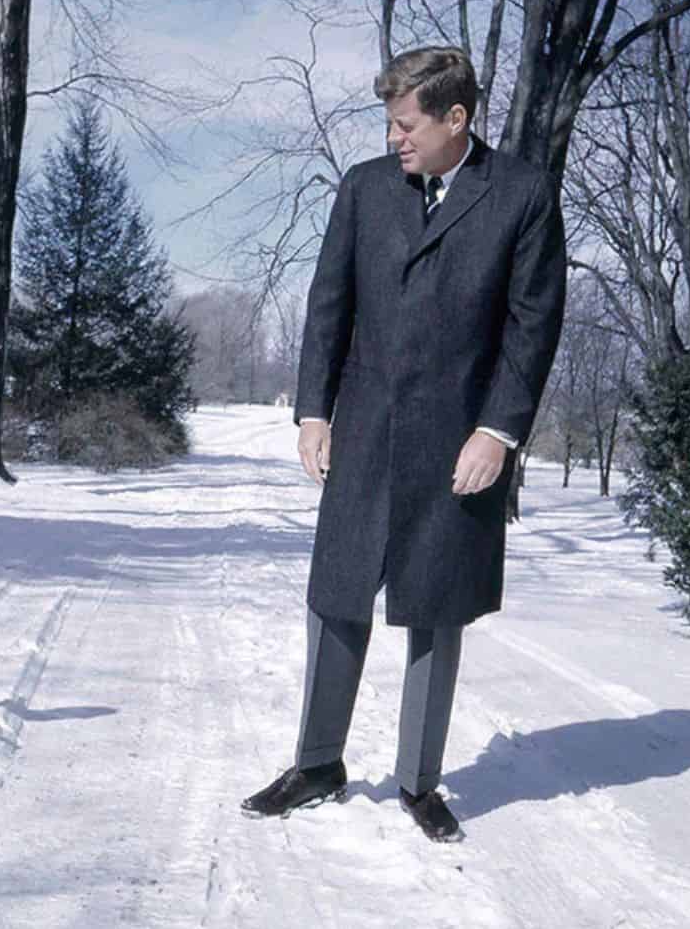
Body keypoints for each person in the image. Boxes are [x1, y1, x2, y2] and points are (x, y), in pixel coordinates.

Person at [241, 46, 566, 842]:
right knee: (337, 596)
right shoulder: (364, 189)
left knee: (436, 607)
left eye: (406, 122)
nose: (394, 138)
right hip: (364, 428)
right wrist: (313, 411)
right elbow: (329, 304)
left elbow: (533, 327)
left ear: (457, 119)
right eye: (389, 123)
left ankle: (420, 783)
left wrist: (499, 431)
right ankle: (318, 762)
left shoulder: (521, 193)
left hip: (460, 440)